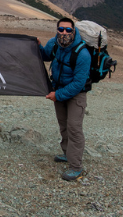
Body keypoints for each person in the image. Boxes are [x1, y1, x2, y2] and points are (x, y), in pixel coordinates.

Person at [39, 17, 91, 181]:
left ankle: (76, 167)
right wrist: (37, 46)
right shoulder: (54, 43)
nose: (64, 33)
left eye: (68, 30)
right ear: (57, 30)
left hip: (76, 94)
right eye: (61, 29)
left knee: (74, 128)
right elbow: (46, 56)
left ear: (73, 31)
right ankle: (67, 153)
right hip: (59, 90)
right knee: (64, 126)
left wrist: (57, 95)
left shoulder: (82, 54)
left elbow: (78, 84)